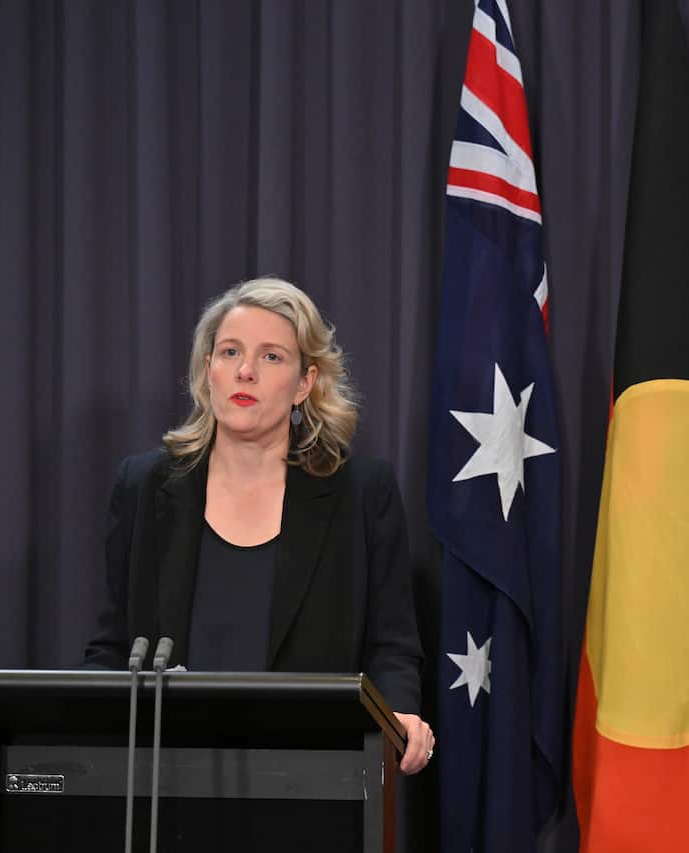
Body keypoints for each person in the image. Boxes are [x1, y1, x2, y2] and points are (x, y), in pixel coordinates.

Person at [83, 277, 435, 773]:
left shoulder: (360, 490)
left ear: (305, 383)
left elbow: (392, 643)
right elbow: (115, 644)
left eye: (271, 357)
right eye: (229, 352)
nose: (244, 371)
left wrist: (399, 715)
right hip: (167, 781)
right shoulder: (143, 485)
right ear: (207, 372)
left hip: (312, 776)